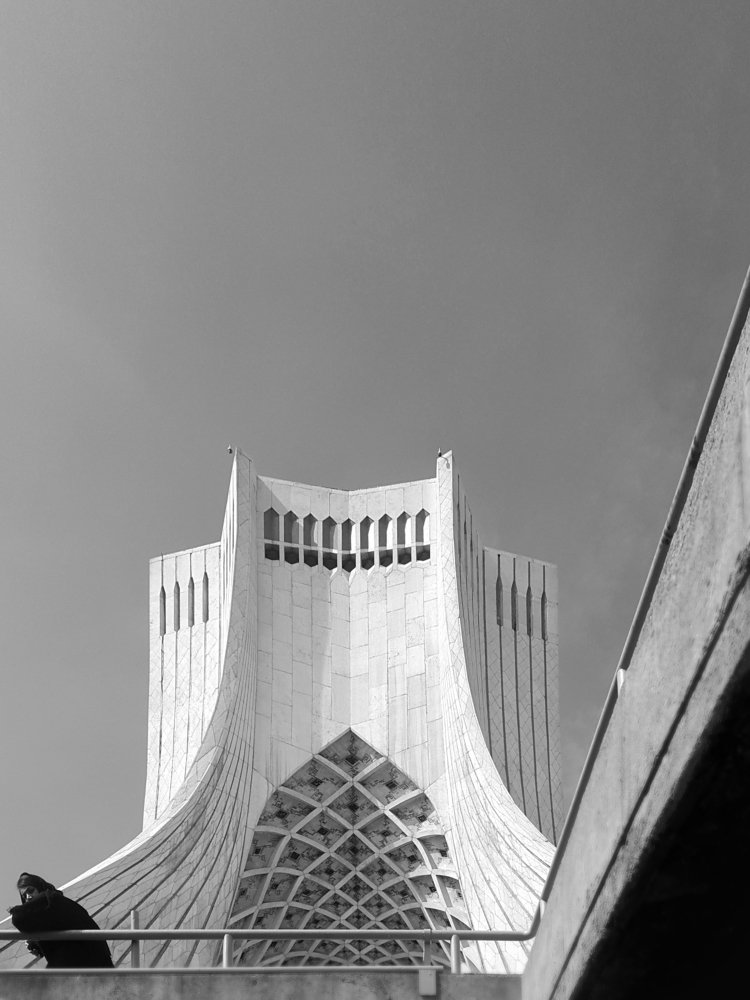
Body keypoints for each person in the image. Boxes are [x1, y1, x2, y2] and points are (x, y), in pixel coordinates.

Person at [8, 873, 114, 968]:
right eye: (24, 896)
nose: (28, 897)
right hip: (88, 963)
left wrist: (15, 911)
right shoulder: (51, 906)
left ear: (39, 888)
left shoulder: (50, 899)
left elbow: (19, 918)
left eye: (31, 891)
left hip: (88, 962)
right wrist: (37, 944)